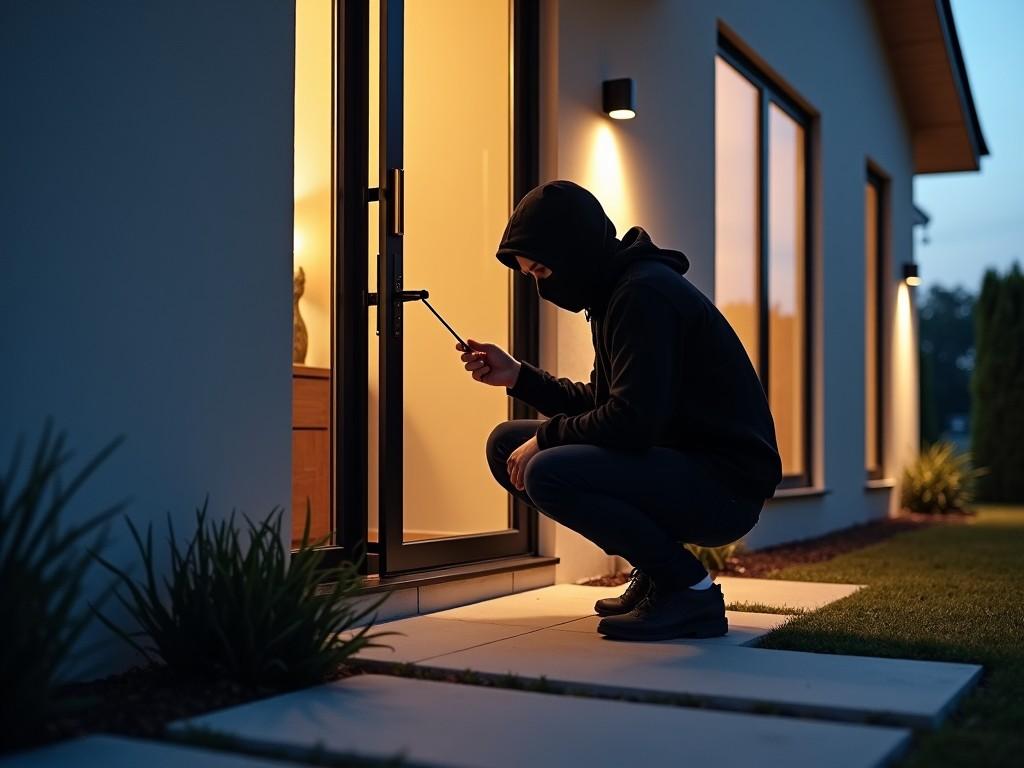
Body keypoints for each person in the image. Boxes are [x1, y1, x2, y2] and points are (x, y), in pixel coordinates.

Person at [456, 180, 782, 641]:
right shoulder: (615, 292)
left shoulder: (643, 294)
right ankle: (654, 571)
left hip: (724, 486)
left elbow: (630, 421)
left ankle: (689, 591)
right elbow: (606, 403)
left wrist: (546, 439)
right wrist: (519, 377)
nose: (540, 287)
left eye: (543, 272)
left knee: (547, 469)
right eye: (530, 276)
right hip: (683, 464)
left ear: (573, 251)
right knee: (506, 445)